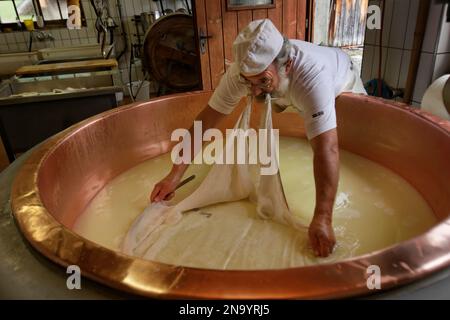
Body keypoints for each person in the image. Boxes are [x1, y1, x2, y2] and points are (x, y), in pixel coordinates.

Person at [150, 19, 367, 258]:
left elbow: (328, 149)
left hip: (343, 81)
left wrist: (323, 218)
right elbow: (206, 123)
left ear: (286, 65)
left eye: (262, 81)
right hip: (288, 90)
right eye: (247, 82)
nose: (253, 92)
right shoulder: (241, 74)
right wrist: (174, 175)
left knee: (350, 146)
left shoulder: (312, 78)